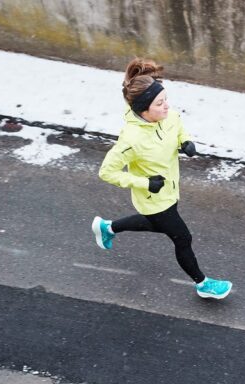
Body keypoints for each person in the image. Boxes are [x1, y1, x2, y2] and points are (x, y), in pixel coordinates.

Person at [91, 58, 232, 299]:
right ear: (144, 109)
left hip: (170, 188)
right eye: (160, 103)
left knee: (156, 225)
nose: (167, 106)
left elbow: (177, 128)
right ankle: (203, 284)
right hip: (153, 198)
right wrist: (144, 183)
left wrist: (184, 142)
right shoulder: (131, 139)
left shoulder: (170, 116)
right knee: (182, 238)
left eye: (166, 99)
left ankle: (107, 227)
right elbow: (107, 172)